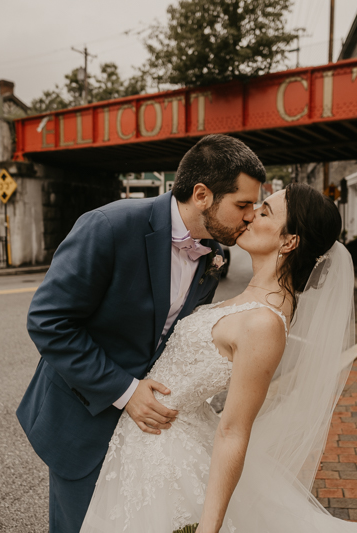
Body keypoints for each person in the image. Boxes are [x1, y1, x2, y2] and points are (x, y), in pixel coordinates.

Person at [81, 183, 357, 533]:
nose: (248, 217)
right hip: (156, 441)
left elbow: (235, 428)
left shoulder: (263, 322)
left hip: (171, 455)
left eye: (263, 212)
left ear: (288, 242)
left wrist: (210, 525)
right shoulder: (244, 293)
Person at [16, 134, 267, 533]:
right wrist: (127, 391)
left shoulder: (216, 255)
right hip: (84, 417)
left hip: (150, 437)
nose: (252, 215)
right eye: (243, 205)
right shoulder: (110, 227)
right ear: (202, 195)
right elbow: (48, 320)